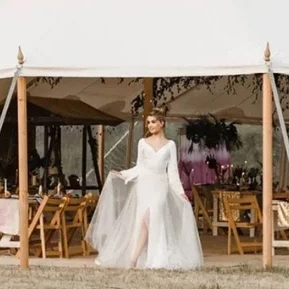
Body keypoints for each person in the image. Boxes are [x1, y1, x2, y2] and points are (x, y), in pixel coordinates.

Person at [87, 108, 204, 270]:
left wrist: (180, 193)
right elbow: (140, 167)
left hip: (160, 186)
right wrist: (123, 174)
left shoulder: (170, 145)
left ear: (162, 123)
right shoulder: (142, 143)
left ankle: (150, 258)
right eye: (148, 122)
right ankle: (135, 259)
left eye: (153, 122)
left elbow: (172, 173)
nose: (150, 125)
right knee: (143, 220)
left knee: (152, 216)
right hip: (145, 185)